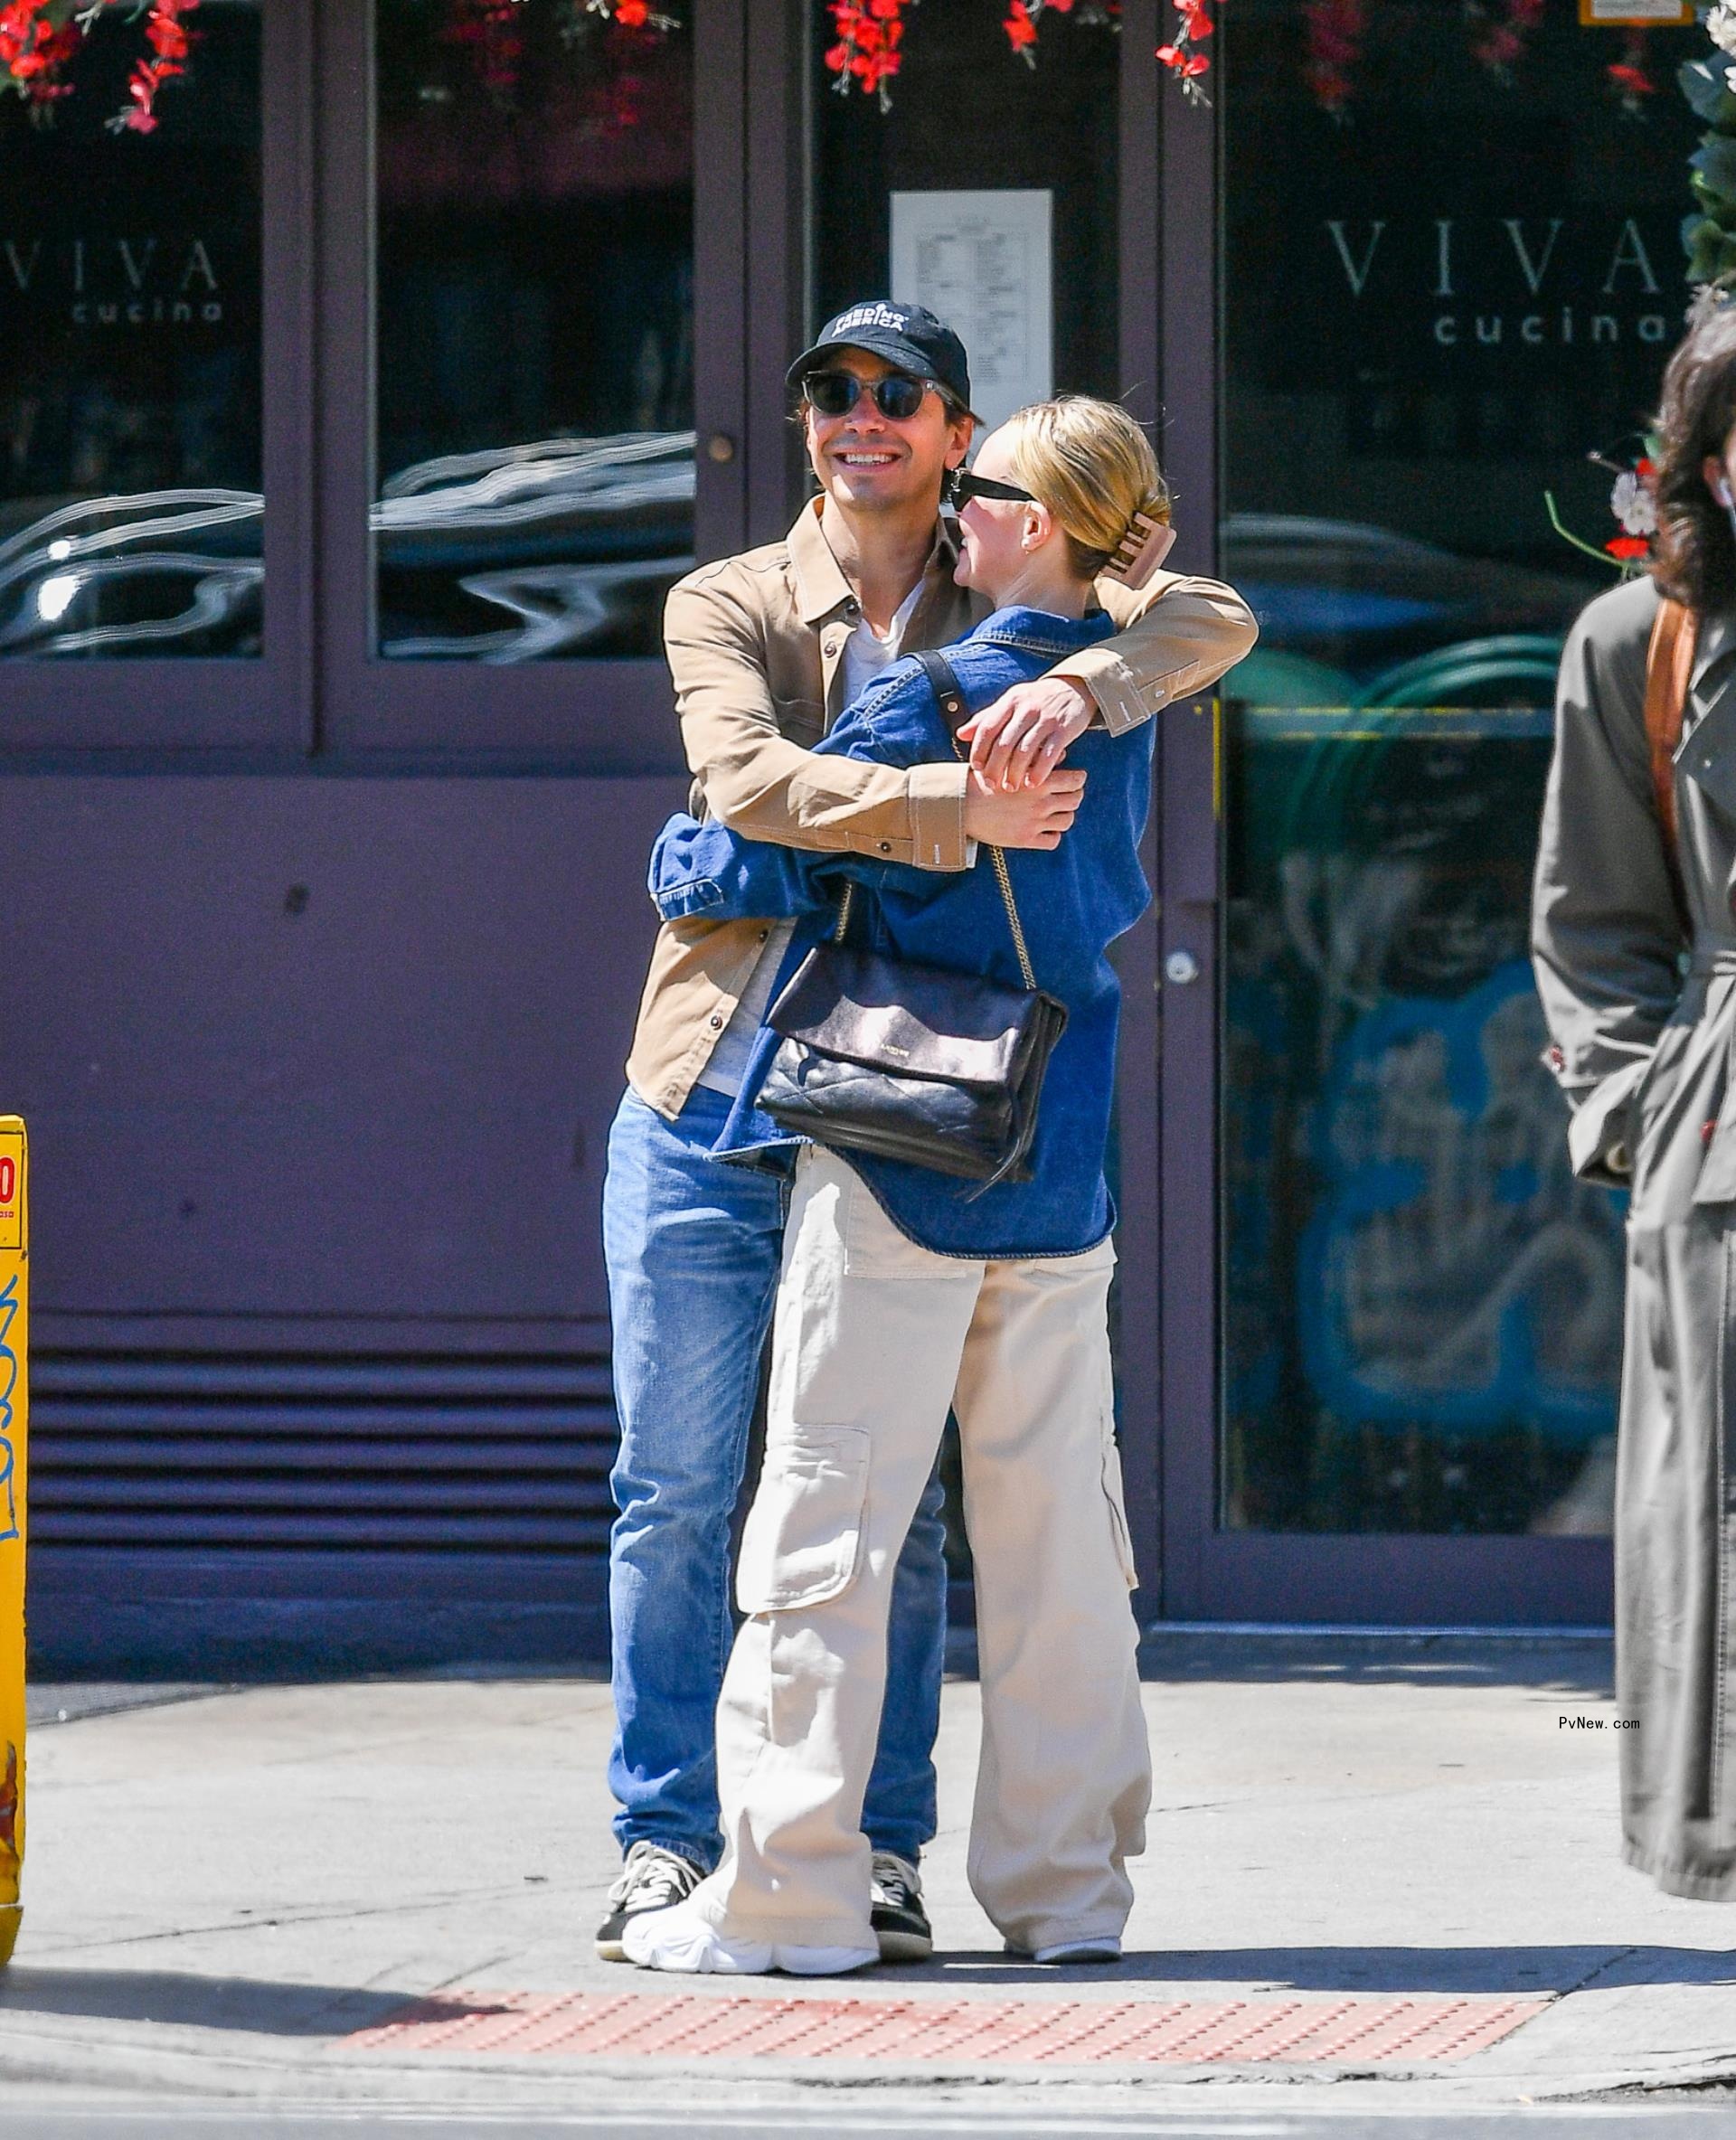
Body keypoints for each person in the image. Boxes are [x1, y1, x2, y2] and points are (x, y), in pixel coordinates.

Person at [599, 301, 1259, 1965]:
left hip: (894, 1131)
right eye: (832, 389)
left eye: (901, 396)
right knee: (690, 1490)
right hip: (752, 1095)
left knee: (846, 1510)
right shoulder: (732, 597)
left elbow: (734, 834)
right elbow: (745, 778)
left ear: (971, 454)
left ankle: (839, 1868)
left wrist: (1092, 674)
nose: (861, 418)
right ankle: (696, 1844)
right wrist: (964, 806)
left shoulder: (996, 638)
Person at [1533, 284, 1736, 1901]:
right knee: (1719, 1532)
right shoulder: (1640, 646)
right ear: (1712, 465)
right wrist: (1631, 1114)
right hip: (1727, 1139)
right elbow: (1593, 922)